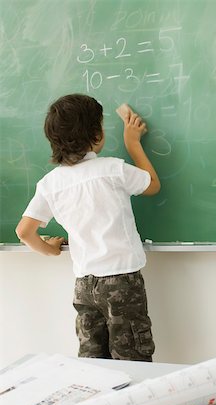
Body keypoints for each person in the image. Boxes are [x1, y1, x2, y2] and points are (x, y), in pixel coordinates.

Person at [16, 93, 161, 362]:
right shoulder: (113, 169)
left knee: (93, 364)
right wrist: (132, 144)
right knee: (134, 360)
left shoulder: (50, 184)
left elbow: (24, 231)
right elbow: (152, 184)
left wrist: (50, 251)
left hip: (84, 285)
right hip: (122, 282)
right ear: (97, 135)